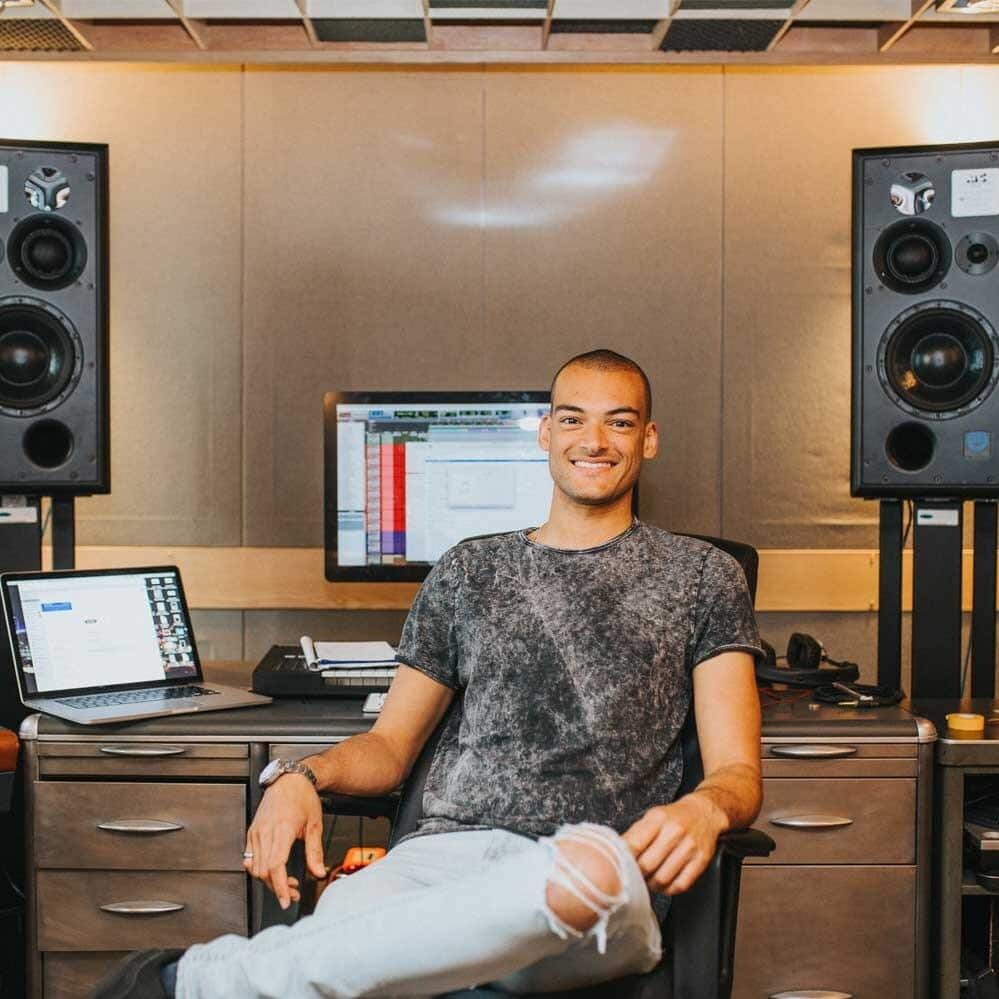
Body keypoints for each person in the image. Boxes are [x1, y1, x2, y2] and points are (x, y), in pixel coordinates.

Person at [95, 349, 763, 999]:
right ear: (544, 433)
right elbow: (389, 746)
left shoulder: (703, 576)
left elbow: (737, 772)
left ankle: (193, 983)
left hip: (594, 875)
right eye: (572, 418)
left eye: (618, 422)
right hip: (445, 857)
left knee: (573, 873)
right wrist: (302, 776)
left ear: (648, 439)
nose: (593, 440)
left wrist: (705, 808)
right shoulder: (469, 570)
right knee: (352, 910)